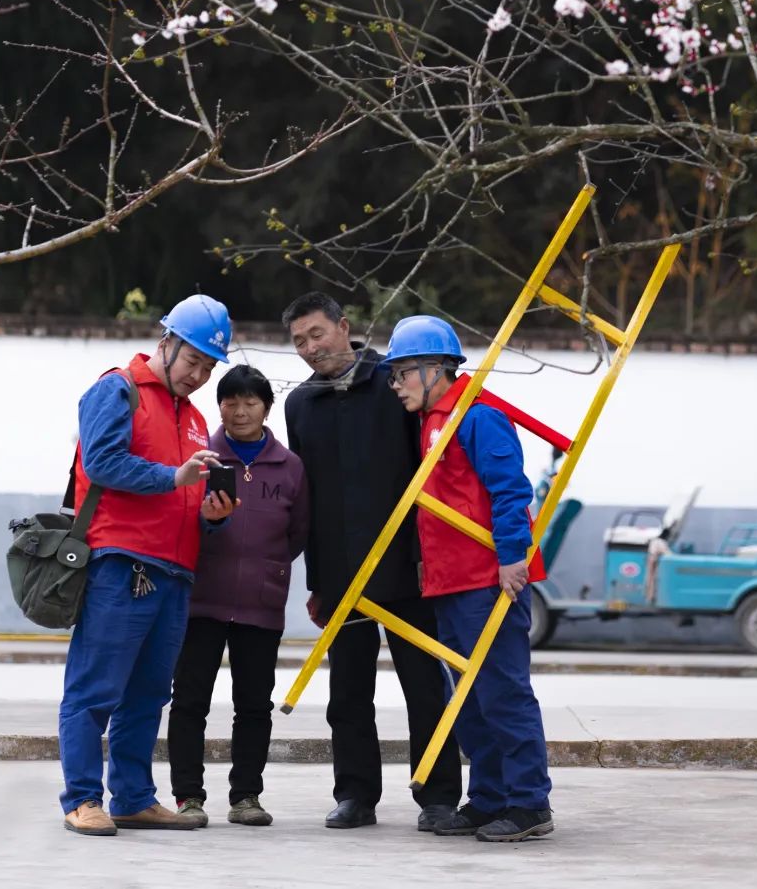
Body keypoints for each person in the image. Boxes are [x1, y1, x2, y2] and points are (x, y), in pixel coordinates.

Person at [283, 289, 462, 832]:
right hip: (340, 574)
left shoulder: (395, 384)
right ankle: (355, 794)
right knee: (348, 691)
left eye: (317, 334)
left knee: (424, 686)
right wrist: (316, 580)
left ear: (344, 326)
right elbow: (308, 497)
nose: (311, 348)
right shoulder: (299, 405)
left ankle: (438, 797)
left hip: (407, 568)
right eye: (299, 342)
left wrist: (430, 559)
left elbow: (428, 474)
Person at [58, 294, 234, 836]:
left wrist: (211, 516)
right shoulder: (117, 389)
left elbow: (184, 493)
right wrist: (172, 478)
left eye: (208, 366)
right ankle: (82, 798)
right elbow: (104, 462)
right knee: (96, 688)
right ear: (167, 343)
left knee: (150, 693)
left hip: (175, 571)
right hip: (120, 563)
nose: (199, 375)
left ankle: (133, 796)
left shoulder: (199, 419)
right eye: (193, 361)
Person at [386, 314, 554, 843]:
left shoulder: (478, 415)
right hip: (452, 582)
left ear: (437, 368)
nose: (396, 385)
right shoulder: (432, 420)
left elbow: (510, 491)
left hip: (488, 579)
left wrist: (511, 557)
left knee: (502, 692)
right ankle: (488, 798)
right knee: (468, 696)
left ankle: (529, 803)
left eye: (403, 373)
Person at [167, 363, 309, 827]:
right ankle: (188, 796)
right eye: (231, 401)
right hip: (200, 600)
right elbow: (180, 523)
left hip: (260, 604)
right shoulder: (201, 458)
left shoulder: (290, 468)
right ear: (219, 406)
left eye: (251, 402)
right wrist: (210, 525)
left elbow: (299, 531)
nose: (240, 410)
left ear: (267, 408)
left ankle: (246, 796)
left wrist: (268, 568)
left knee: (253, 704)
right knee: (190, 700)